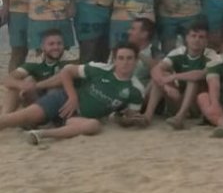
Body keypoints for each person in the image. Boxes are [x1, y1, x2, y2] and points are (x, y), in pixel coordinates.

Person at [0, 44, 148, 146]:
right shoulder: (100, 69)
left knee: (94, 125)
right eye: (121, 58)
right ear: (114, 60)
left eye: (129, 58)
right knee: (17, 118)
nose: (125, 62)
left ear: (136, 61)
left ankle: (41, 134)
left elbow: (122, 117)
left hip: (78, 117)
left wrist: (127, 120)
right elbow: (67, 71)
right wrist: (72, 97)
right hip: (63, 101)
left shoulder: (136, 89)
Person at [144, 24, 218, 128]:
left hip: (198, 104)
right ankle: (147, 117)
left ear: (206, 41)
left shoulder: (211, 55)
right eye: (193, 36)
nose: (197, 40)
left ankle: (180, 117)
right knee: (161, 75)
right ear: (187, 38)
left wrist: (174, 77)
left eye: (201, 37)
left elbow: (200, 74)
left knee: (192, 80)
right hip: (179, 98)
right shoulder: (178, 52)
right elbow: (156, 69)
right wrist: (166, 85)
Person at [1, 28, 67, 114]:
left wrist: (36, 85)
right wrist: (22, 85)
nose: (56, 47)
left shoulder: (68, 63)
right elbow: (7, 79)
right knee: (16, 87)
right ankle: (4, 118)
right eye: (51, 44)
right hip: (35, 104)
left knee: (54, 88)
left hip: (57, 106)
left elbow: (60, 79)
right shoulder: (35, 63)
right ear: (42, 47)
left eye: (59, 44)